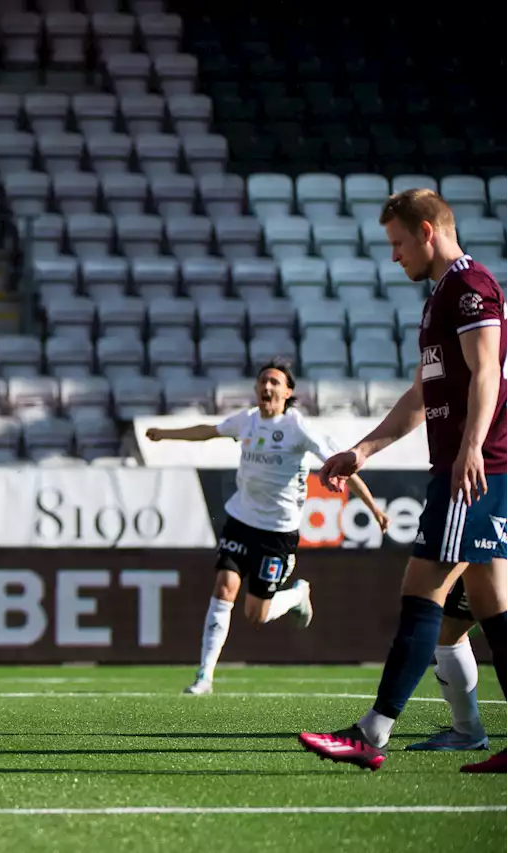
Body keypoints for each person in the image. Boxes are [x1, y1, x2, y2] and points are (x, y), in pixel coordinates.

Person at [300, 189, 508, 773]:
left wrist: (469, 450)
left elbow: (487, 371)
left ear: (425, 230)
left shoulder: (470, 287)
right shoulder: (442, 296)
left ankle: (372, 732)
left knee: (422, 593)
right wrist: (362, 450)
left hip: (476, 469)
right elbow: (424, 393)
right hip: (475, 467)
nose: (394, 257)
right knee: (494, 607)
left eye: (397, 243)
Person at [147, 359, 389, 695]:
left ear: (288, 392)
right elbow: (207, 431)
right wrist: (165, 434)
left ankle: (296, 595)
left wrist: (374, 508)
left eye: (275, 382)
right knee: (223, 587)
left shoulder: (298, 428)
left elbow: (343, 466)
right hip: (241, 521)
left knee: (256, 614)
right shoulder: (246, 421)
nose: (268, 387)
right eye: (263, 381)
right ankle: (204, 677)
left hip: (278, 533)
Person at [405, 577, 488, 752]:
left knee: (449, 631)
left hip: (483, 554)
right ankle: (466, 729)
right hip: (490, 555)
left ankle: (467, 730)